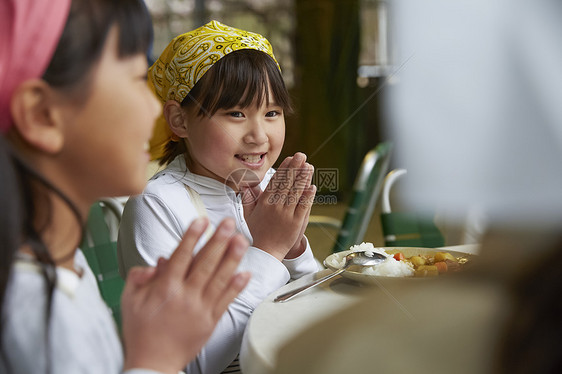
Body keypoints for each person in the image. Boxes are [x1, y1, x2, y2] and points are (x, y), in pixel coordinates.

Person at [0, 1, 251, 373]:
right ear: (42, 115)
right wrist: (157, 360)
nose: (155, 112)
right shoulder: (31, 306)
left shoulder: (63, 266)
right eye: (137, 79)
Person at [117, 20, 320, 373]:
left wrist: (294, 252)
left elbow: (313, 310)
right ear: (180, 120)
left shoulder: (269, 182)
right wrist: (268, 250)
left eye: (271, 113)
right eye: (236, 113)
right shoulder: (158, 204)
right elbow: (189, 361)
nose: (259, 135)